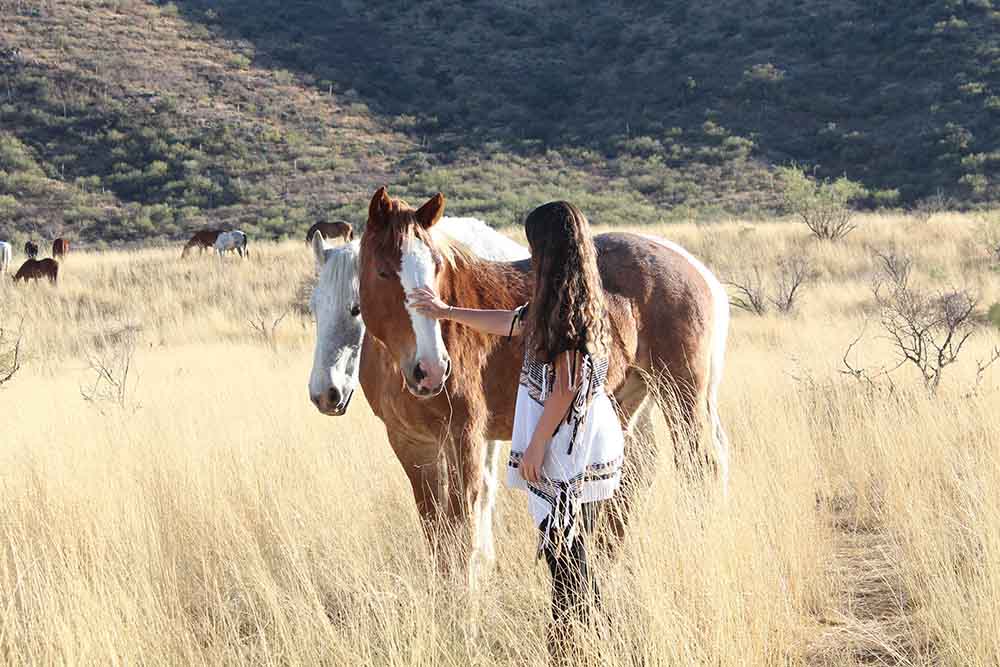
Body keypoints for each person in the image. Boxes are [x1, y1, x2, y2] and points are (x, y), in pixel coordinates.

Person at [408, 200, 625, 649]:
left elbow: (566, 386)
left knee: (564, 553)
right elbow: (510, 324)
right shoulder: (568, 298)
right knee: (566, 549)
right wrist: (445, 311)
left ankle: (578, 643)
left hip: (565, 442)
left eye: (533, 247)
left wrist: (535, 447)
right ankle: (580, 638)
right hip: (571, 435)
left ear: (548, 250)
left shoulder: (570, 310)